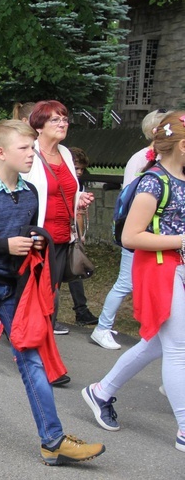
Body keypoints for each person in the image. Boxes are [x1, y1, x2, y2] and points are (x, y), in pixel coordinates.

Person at [0, 119, 105, 465]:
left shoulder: (30, 192)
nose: (32, 155)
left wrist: (34, 239)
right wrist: (4, 245)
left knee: (33, 361)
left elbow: (23, 232)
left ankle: (53, 441)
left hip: (14, 289)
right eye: (24, 149)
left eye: (32, 148)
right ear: (1, 153)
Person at [81, 110, 185, 454]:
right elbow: (131, 236)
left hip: (175, 269)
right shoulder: (153, 181)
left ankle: (101, 391)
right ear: (182, 146)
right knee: (177, 349)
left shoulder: (179, 177)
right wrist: (181, 240)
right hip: (159, 271)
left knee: (159, 344)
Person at [91, 109, 171, 350]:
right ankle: (102, 328)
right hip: (139, 231)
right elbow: (132, 196)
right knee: (125, 282)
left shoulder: (157, 157)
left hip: (154, 233)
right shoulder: (143, 158)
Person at [20, 100, 94, 339]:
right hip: (38, 238)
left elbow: (64, 188)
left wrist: (79, 198)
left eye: (64, 119)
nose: (63, 123)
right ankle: (31, 344)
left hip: (63, 238)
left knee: (50, 294)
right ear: (39, 126)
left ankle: (39, 344)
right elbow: (14, 191)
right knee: (36, 294)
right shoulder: (27, 151)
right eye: (56, 119)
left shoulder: (65, 153)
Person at [66, 147, 99, 326]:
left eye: (81, 169)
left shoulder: (79, 184)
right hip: (63, 233)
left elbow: (79, 212)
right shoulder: (66, 181)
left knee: (75, 270)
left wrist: (79, 235)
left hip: (72, 233)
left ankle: (81, 309)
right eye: (76, 167)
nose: (79, 172)